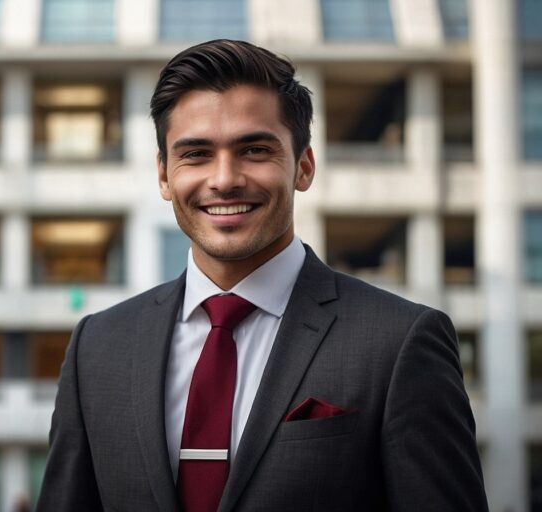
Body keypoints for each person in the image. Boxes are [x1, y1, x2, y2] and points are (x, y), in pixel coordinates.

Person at [36, 40, 487, 511]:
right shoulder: (98, 347)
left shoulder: (399, 342)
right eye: (196, 154)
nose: (225, 178)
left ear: (303, 166)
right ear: (165, 175)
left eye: (254, 150)